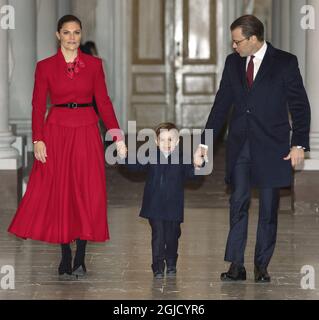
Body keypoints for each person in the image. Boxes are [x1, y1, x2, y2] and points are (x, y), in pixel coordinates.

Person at [8, 15, 127, 279]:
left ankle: (81, 256)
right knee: (63, 191)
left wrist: (117, 136)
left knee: (85, 189)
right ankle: (64, 255)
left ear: (81, 35)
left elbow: (104, 103)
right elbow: (38, 105)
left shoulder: (94, 65)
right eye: (66, 32)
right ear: (58, 35)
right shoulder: (45, 67)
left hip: (86, 129)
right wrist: (38, 139)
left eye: (76, 32)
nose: (72, 37)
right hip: (57, 131)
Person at [194, 15, 311, 283]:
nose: (234, 47)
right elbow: (221, 104)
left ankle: (261, 266)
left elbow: (300, 106)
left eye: (237, 42)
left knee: (269, 208)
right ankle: (236, 265)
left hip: (273, 147)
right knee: (238, 203)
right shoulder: (232, 63)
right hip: (240, 147)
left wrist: (299, 144)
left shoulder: (285, 62)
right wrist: (204, 143)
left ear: (253, 38)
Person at [126, 123, 199, 279]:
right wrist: (124, 156)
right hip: (155, 205)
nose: (167, 144)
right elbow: (136, 166)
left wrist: (199, 166)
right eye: (163, 140)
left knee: (172, 236)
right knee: (158, 235)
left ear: (178, 141)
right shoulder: (151, 155)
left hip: (173, 205)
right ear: (156, 142)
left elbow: (192, 175)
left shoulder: (183, 158)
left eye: (171, 139)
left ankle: (171, 262)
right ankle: (158, 266)